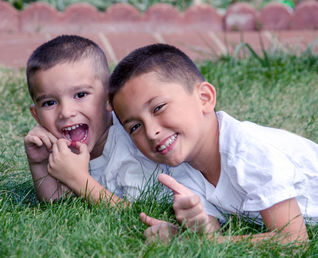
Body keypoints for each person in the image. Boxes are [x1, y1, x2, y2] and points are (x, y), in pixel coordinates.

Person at [108, 43, 318, 243]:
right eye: (135, 127)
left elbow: (293, 239)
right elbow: (209, 232)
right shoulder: (182, 171)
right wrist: (185, 234)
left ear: (205, 98)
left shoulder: (248, 152)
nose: (151, 132)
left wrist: (212, 243)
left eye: (158, 107)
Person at [24, 35, 201, 206]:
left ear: (109, 98)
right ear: (36, 115)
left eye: (80, 95)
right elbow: (58, 204)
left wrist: (79, 180)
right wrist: (39, 163)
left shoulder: (131, 147)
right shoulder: (64, 149)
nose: (66, 112)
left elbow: (137, 213)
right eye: (49, 103)